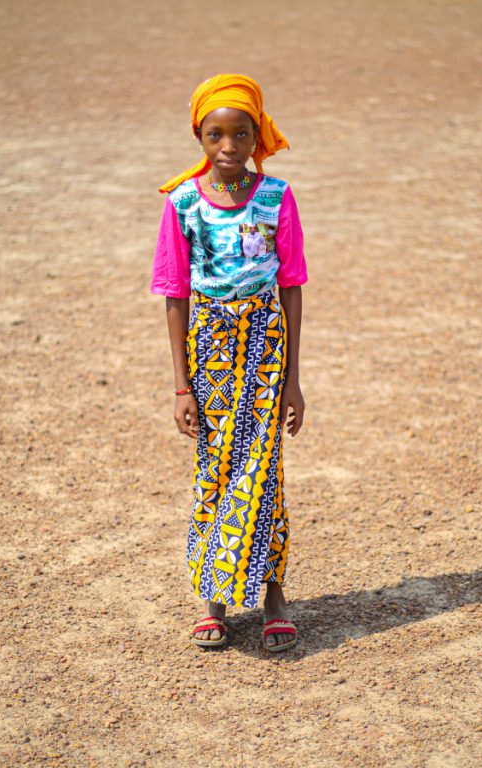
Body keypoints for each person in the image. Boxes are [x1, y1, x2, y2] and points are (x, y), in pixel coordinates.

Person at [150, 74, 307, 652]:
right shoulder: (183, 203)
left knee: (265, 470)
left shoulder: (277, 197)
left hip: (266, 346)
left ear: (256, 135)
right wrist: (180, 387)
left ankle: (274, 597)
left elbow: (291, 286)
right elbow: (175, 293)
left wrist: (293, 381)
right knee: (214, 467)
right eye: (215, 134)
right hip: (210, 350)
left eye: (241, 133)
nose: (229, 146)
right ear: (199, 136)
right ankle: (212, 598)